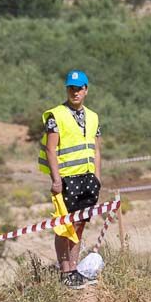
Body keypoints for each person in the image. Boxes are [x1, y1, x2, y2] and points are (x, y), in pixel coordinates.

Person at [38, 70, 102, 290]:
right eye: (71, 88)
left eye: (79, 88)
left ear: (86, 90)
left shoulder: (93, 117)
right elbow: (50, 149)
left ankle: (74, 269)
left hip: (87, 179)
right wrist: (56, 179)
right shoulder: (57, 116)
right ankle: (65, 272)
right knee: (64, 227)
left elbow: (96, 150)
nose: (75, 92)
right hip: (66, 180)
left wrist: (98, 177)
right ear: (67, 89)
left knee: (80, 225)